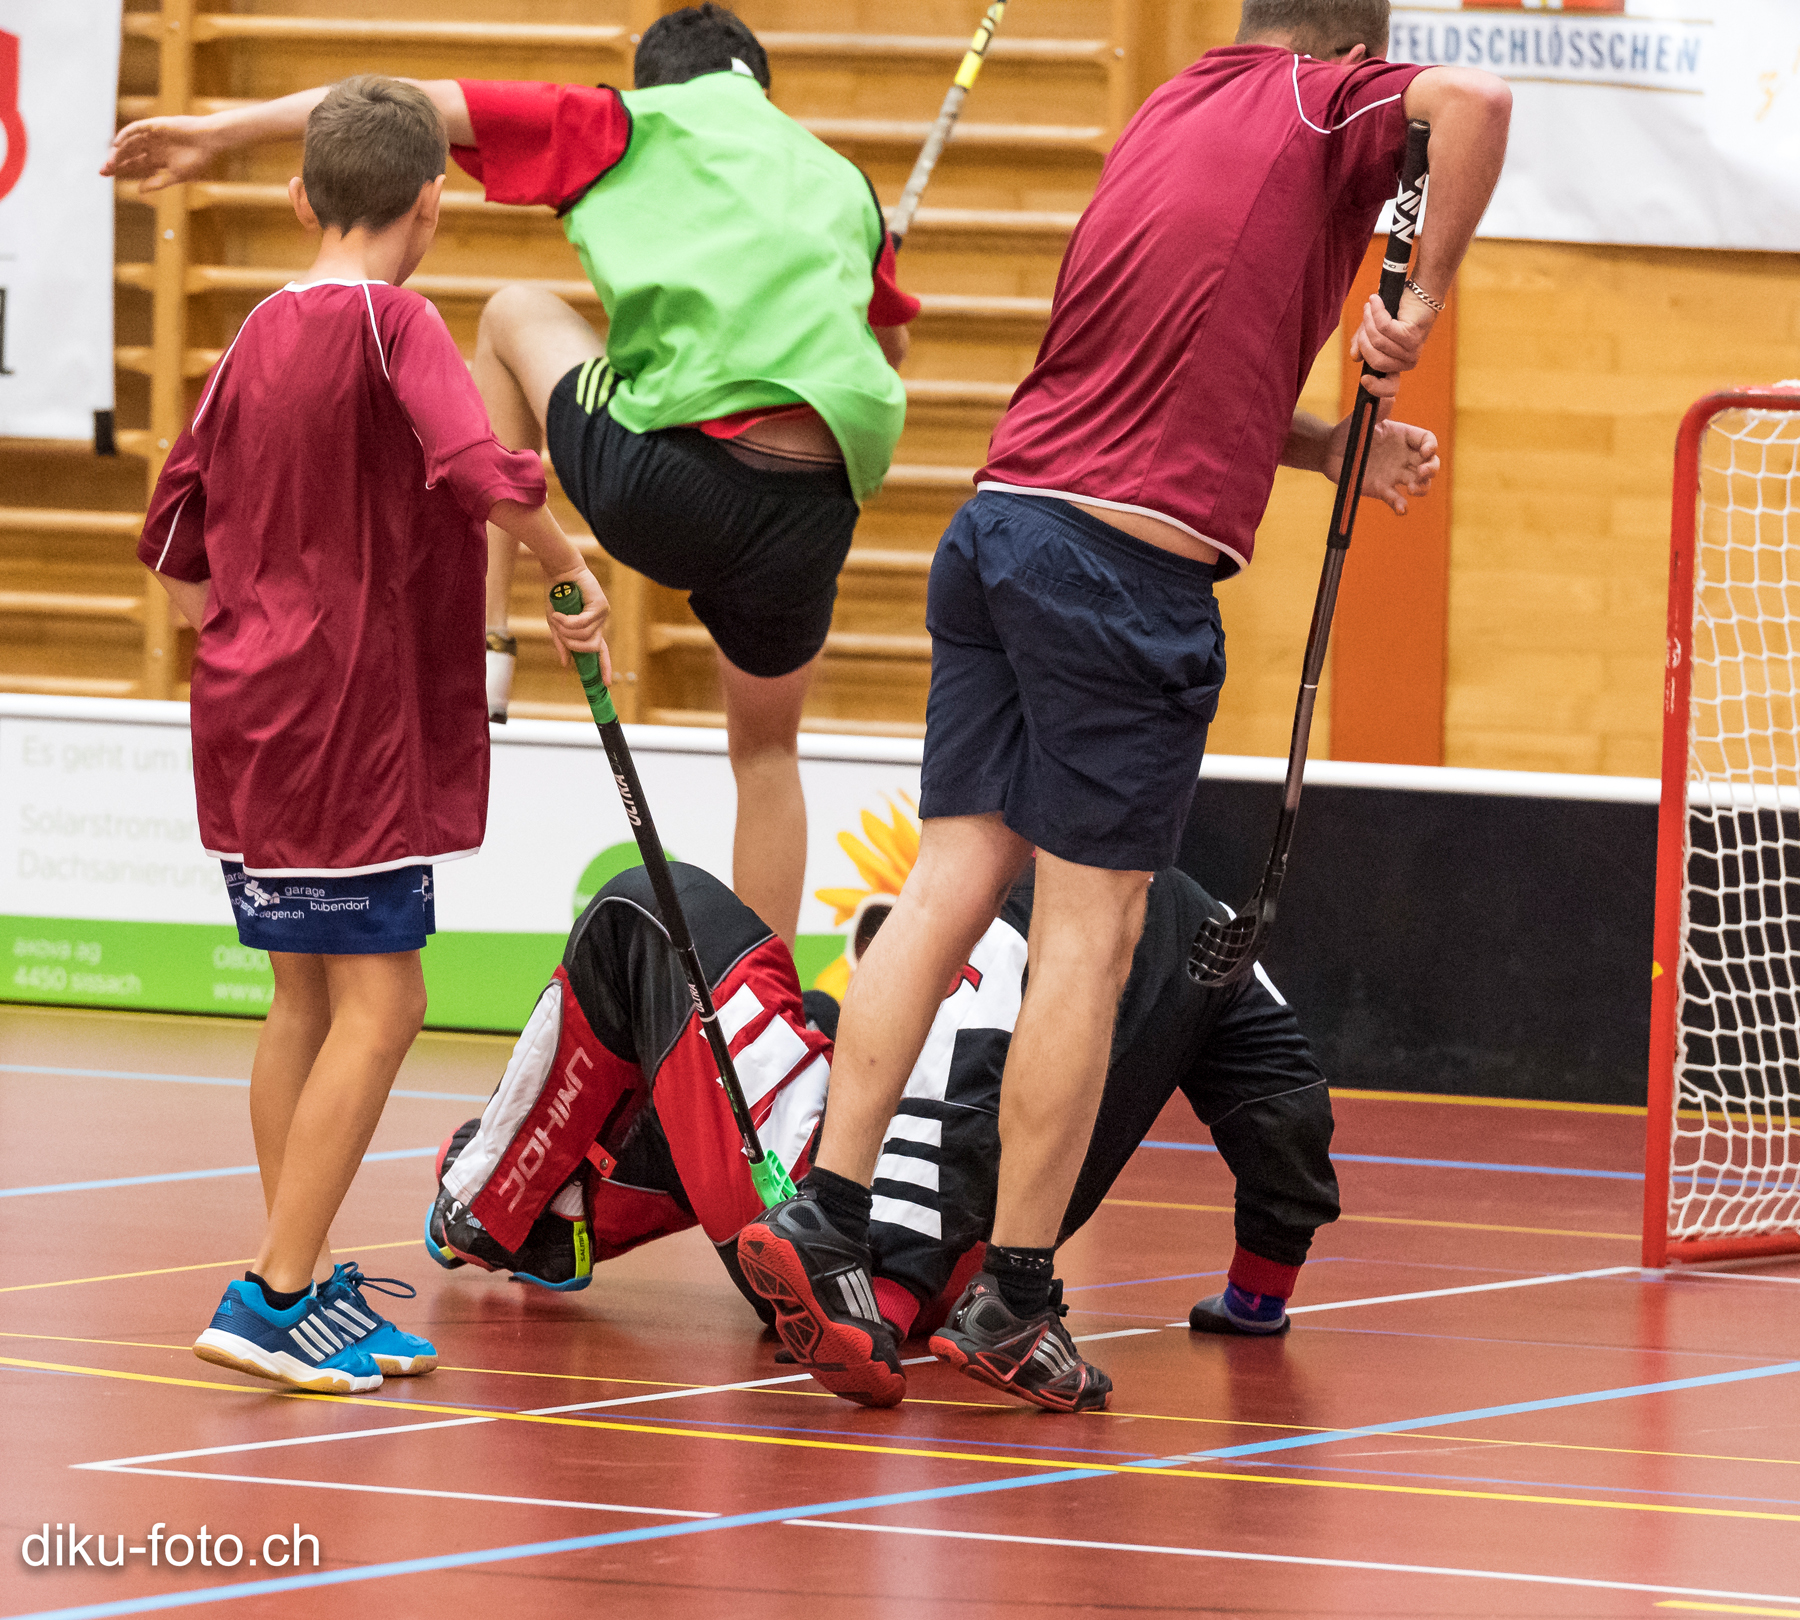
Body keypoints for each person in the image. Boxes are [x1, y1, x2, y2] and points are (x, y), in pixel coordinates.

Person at [732, 0, 1510, 1410]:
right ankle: (1013, 1296)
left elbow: (1174, 368)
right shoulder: (1324, 103)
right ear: (1348, 50)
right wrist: (1416, 304)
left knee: (953, 876)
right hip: (1117, 583)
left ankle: (824, 1216)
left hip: (1001, 530)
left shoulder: (1170, 114)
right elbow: (1479, 108)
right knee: (1090, 940)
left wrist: (1335, 442)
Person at [106, 4, 921, 951]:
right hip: (814, 505)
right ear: (760, 87)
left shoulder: (622, 122)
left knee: (509, 314)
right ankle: (761, 1023)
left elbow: (395, 108)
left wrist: (217, 131)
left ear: (656, 80)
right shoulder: (840, 179)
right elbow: (889, 346)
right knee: (769, 753)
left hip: (667, 483)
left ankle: (488, 648)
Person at [131, 78, 610, 1395]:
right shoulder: (394, 323)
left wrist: (251, 633)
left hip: (245, 715)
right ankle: (277, 1289)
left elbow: (172, 537)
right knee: (387, 999)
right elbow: (476, 468)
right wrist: (569, 577)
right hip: (343, 723)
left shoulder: (245, 337)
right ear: (432, 204)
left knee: (305, 998)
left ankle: (302, 1272)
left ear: (299, 198)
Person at [425, 859, 1340, 1411]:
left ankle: (490, 1206)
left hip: (847, 1258)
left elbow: (956, 1069)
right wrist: (1257, 1297)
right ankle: (576, 1207)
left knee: (646, 907)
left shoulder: (1020, 882)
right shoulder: (1204, 923)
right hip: (980, 1274)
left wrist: (884, 1294)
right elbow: (1286, 1112)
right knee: (813, 1022)